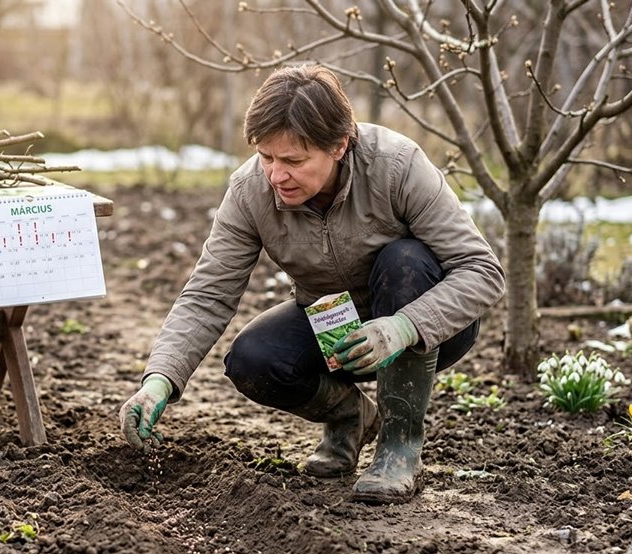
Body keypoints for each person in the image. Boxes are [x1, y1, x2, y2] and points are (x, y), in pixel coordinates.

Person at [119, 64, 505, 504]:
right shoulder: (250, 191)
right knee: (252, 359)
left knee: (405, 260)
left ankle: (399, 446)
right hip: (335, 330)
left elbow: (482, 269)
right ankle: (351, 416)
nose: (275, 175)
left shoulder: (397, 166)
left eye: (293, 161)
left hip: (425, 327)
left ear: (339, 145)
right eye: (266, 157)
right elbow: (209, 293)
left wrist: (403, 326)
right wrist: (159, 380)